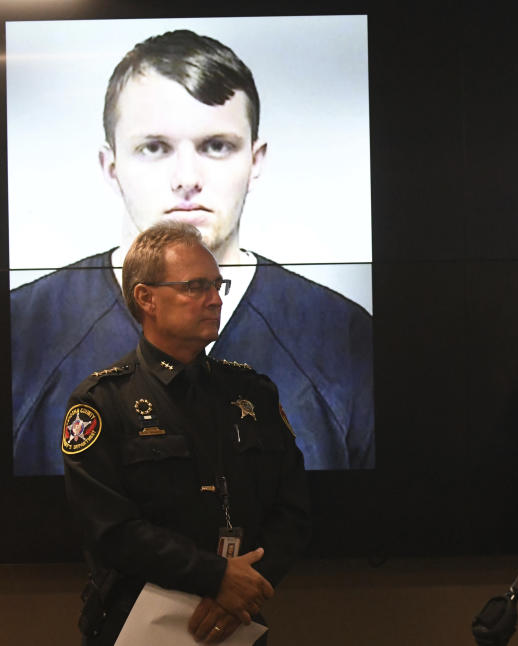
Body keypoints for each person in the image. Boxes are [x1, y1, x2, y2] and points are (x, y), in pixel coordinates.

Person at [12, 29, 373, 475]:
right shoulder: (21, 329)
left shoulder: (344, 337)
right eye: (154, 147)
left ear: (255, 161)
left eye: (216, 146)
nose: (186, 178)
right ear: (111, 166)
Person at [62, 221, 311, 644]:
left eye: (218, 285)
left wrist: (243, 589)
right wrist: (215, 578)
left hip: (238, 623)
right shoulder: (103, 401)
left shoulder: (252, 392)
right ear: (146, 298)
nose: (215, 300)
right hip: (138, 623)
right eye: (195, 287)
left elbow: (292, 508)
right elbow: (110, 529)